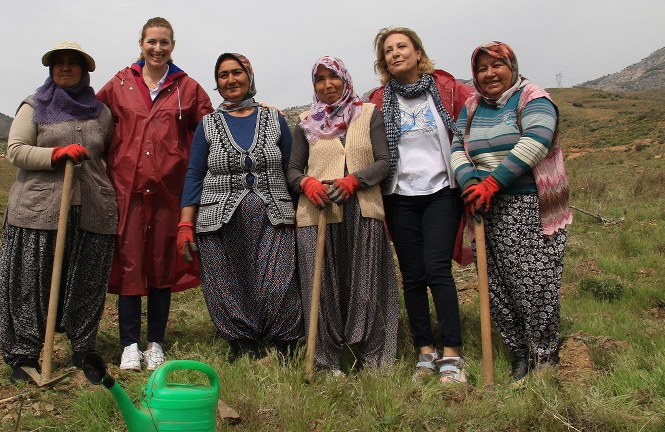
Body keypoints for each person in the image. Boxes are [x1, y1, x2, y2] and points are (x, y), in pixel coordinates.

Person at [451, 41, 571, 384]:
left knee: (534, 282)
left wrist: (493, 182)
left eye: (497, 65)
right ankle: (519, 353)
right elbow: (458, 147)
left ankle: (543, 354)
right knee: (498, 284)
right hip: (485, 206)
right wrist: (470, 180)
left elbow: (536, 140)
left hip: (529, 203)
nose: (489, 74)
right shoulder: (472, 106)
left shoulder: (533, 97)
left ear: (512, 66)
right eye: (482, 68)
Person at [97, 17, 213, 371]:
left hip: (169, 193)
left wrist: (256, 111)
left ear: (172, 46)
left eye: (164, 42)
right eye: (152, 42)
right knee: (131, 264)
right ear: (141, 44)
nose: (158, 48)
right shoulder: (119, 85)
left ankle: (156, 342)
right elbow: (93, 120)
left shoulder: (187, 88)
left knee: (163, 266)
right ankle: (130, 343)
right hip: (127, 192)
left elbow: (212, 128)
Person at [0, 41, 117, 383]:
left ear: (84, 70)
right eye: (59, 63)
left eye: (72, 63)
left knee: (86, 280)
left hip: (92, 207)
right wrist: (55, 155)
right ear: (50, 69)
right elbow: (17, 151)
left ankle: (83, 346)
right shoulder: (33, 106)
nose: (65, 67)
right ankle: (23, 353)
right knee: (30, 281)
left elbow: (107, 153)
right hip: (39, 208)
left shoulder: (100, 112)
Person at [178, 52, 302, 360]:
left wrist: (303, 211)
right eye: (223, 75)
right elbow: (195, 173)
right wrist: (185, 223)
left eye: (237, 72)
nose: (231, 79)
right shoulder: (208, 125)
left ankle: (284, 342)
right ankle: (242, 343)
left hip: (274, 214)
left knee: (278, 281)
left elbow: (291, 168)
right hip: (219, 217)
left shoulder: (275, 119)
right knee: (228, 281)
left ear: (249, 77)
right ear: (217, 84)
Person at [368, 27, 474, 383]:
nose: (395, 53)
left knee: (437, 269)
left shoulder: (445, 89)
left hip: (443, 190)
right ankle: (424, 352)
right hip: (400, 195)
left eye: (402, 47)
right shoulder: (378, 100)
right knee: (412, 276)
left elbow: (476, 114)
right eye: (388, 50)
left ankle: (453, 353)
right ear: (383, 61)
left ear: (417, 52)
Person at [287, 56, 398, 374]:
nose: (327, 85)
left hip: (363, 210)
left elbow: (383, 161)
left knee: (367, 286)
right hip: (317, 213)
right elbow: (293, 169)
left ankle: (373, 358)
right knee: (320, 288)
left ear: (345, 78)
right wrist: (306, 183)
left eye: (332, 77)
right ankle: (325, 361)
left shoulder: (369, 115)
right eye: (319, 80)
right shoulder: (306, 122)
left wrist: (354, 180)